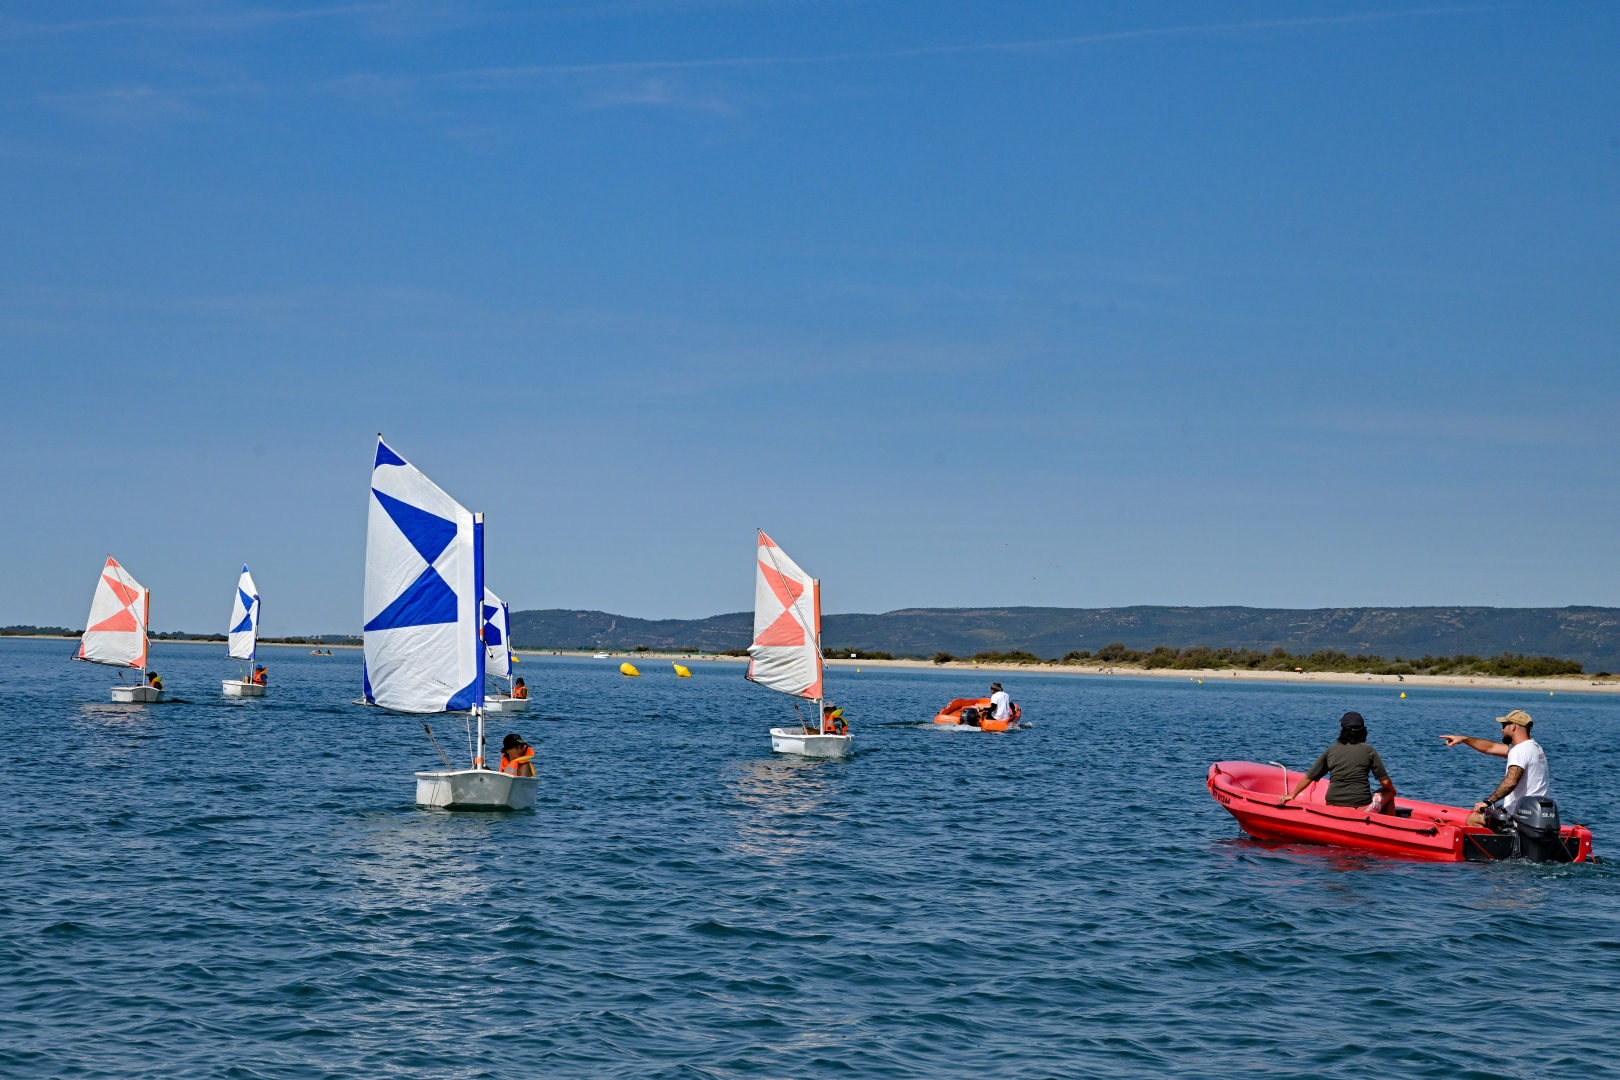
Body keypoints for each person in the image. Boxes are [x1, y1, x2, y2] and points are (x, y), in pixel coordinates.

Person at [1441, 709, 1549, 826]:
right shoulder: (1535, 748)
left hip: (1518, 817)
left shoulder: (1519, 751)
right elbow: (1491, 748)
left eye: (1504, 725)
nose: (1501, 729)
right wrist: (1464, 739)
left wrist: (1488, 802)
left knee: (1473, 819)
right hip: (1535, 814)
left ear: (1513, 726)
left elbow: (1511, 781)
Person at [1279, 711, 1398, 813]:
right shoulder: (1369, 750)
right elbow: (1385, 782)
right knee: (1388, 793)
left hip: (1333, 804)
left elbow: (1309, 777)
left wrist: (1293, 794)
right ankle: (1389, 829)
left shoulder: (1331, 749)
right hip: (1360, 806)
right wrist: (1392, 790)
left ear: (1343, 730)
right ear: (1363, 731)